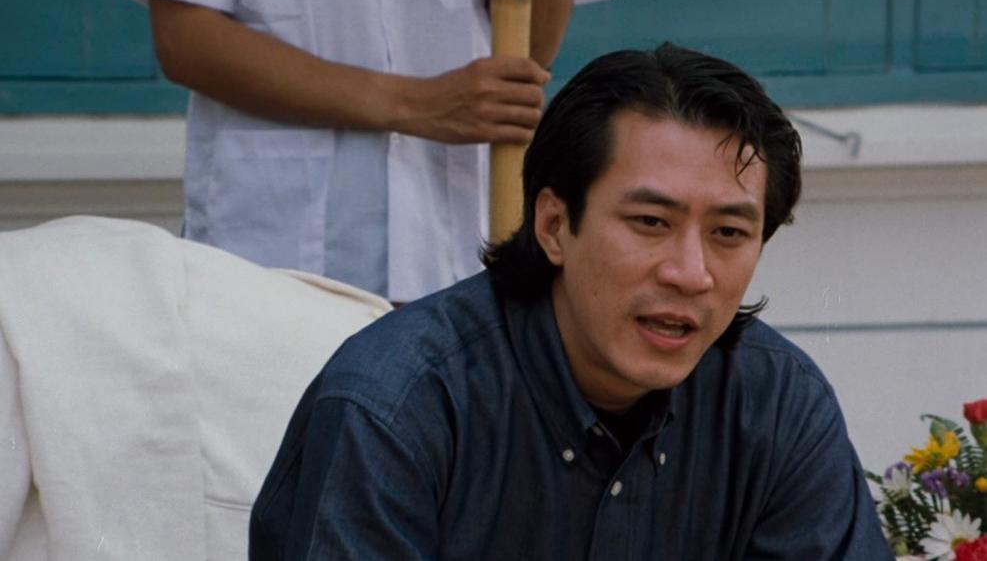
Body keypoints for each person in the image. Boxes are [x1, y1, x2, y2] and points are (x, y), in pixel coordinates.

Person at [249, 43, 893, 559]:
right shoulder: (397, 406)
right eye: (650, 222)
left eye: (728, 233)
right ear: (554, 225)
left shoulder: (778, 405)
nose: (691, 273)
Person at [132, 0, 613, 302]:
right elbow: (186, 39)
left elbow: (527, 46)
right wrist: (416, 104)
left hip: (452, 228)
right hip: (279, 243)